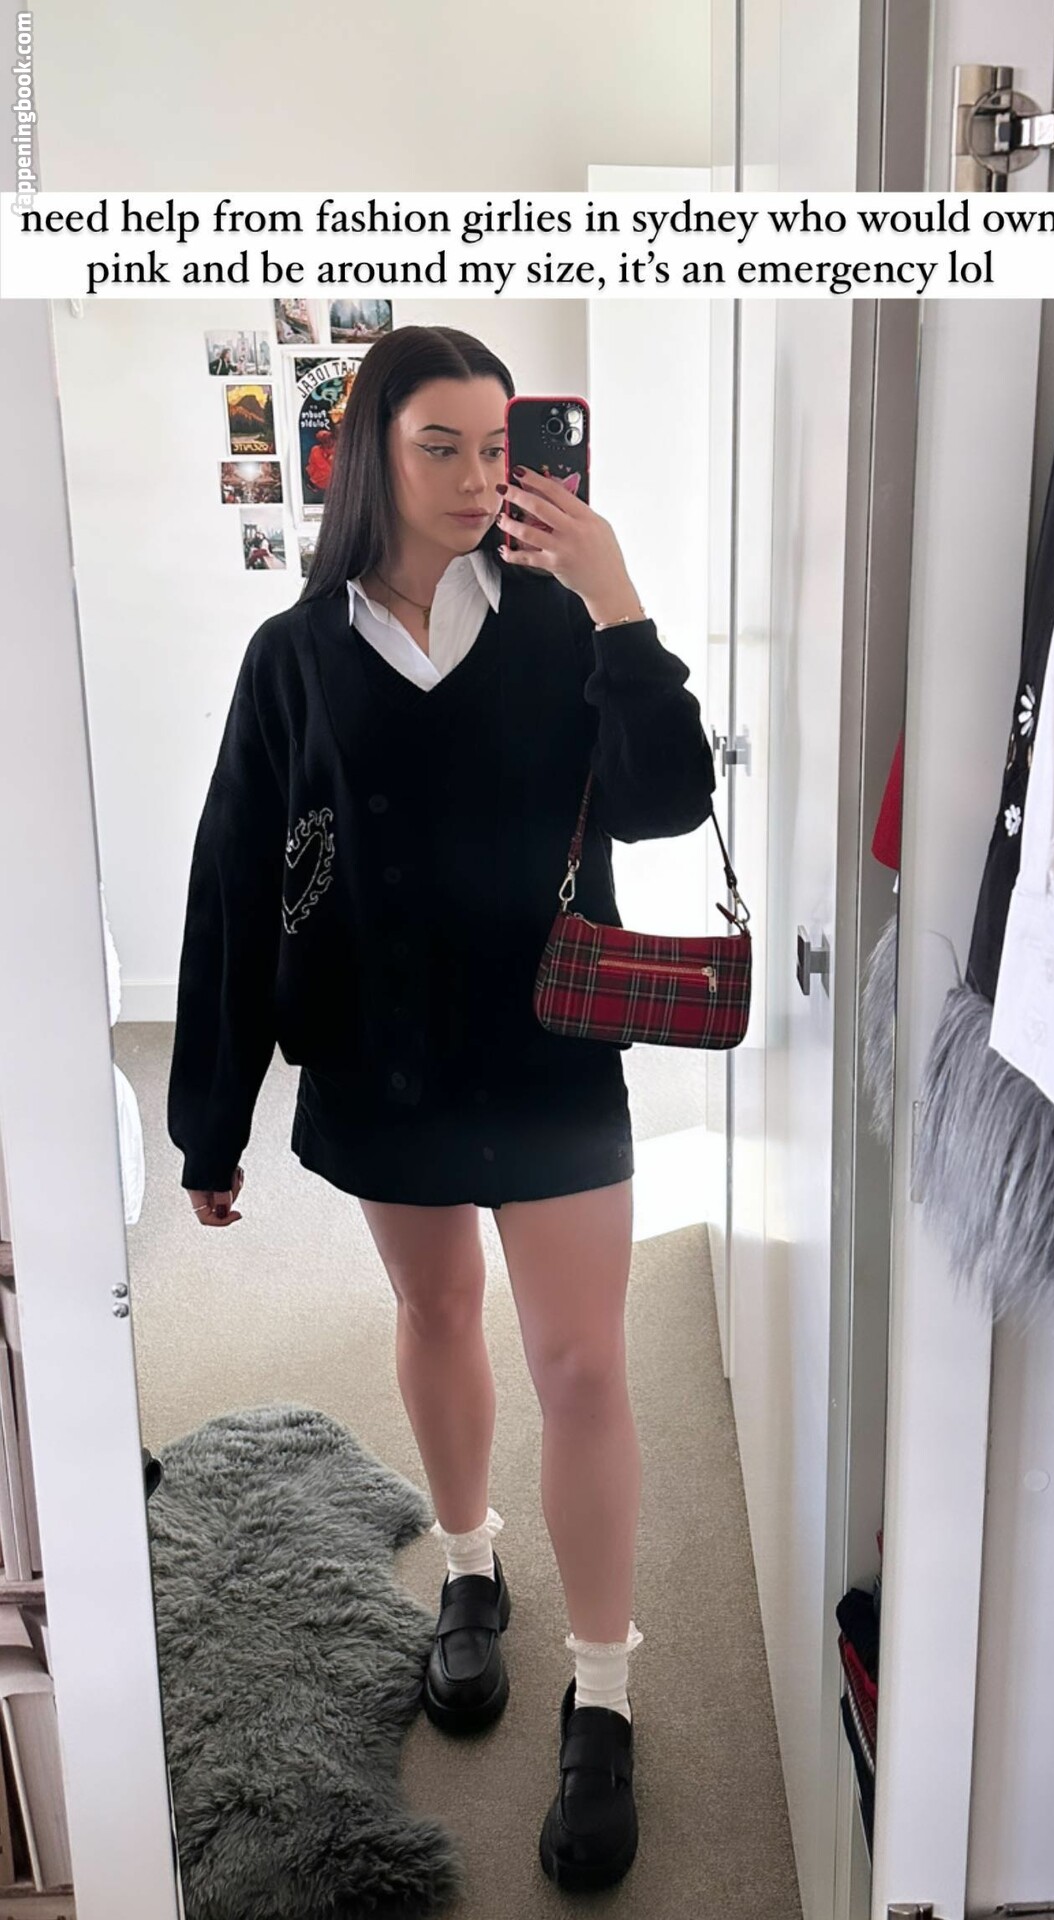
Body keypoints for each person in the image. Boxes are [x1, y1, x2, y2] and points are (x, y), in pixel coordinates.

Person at [167, 324, 715, 1893]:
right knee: (436, 1311)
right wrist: (213, 1115)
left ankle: (602, 1693)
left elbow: (670, 802)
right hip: (381, 1051)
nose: (481, 477)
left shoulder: (555, 619)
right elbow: (233, 879)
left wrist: (617, 596)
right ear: (368, 453)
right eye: (443, 446)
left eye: (499, 445)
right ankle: (469, 1567)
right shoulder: (292, 654)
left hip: (552, 1048)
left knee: (585, 1361)